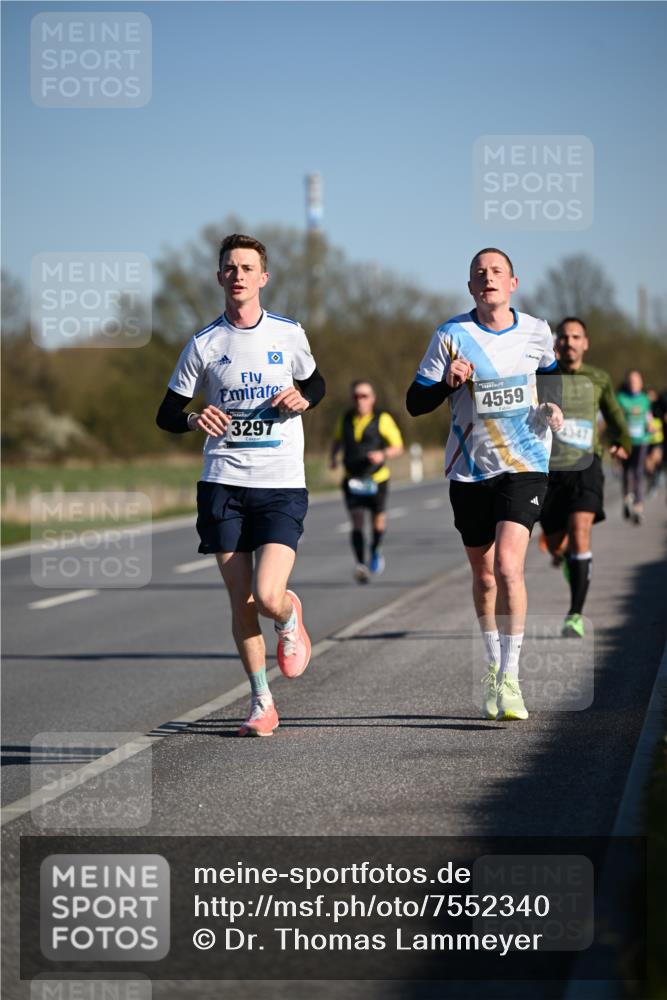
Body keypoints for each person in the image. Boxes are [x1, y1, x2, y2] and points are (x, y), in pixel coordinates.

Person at [156, 233, 325, 736]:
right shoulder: (204, 344)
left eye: (247, 268)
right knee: (240, 601)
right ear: (219, 277)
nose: (238, 275)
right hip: (223, 483)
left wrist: (304, 399)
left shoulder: (289, 334)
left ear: (263, 277)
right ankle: (261, 701)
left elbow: (316, 382)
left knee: (268, 594)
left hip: (280, 484)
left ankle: (289, 615)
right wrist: (193, 419)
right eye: (230, 268)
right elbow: (166, 414)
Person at [406, 248, 563, 722]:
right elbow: (415, 402)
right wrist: (447, 383)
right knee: (486, 574)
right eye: (479, 273)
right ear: (470, 286)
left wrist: (554, 409)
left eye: (496, 272)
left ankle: (512, 678)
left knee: (511, 568)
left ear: (513, 282)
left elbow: (551, 377)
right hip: (470, 468)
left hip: (526, 462)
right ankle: (494, 666)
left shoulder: (536, 330)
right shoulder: (452, 335)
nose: (488, 278)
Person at [539, 317, 630, 637]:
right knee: (555, 544)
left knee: (581, 531)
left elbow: (617, 417)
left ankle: (575, 614)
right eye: (563, 337)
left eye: (576, 337)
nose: (569, 342)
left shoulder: (599, 378)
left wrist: (623, 442)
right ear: (555, 343)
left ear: (585, 343)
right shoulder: (542, 376)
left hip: (587, 465)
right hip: (549, 469)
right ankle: (566, 558)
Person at [329, 380, 404, 582]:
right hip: (352, 478)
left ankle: (376, 548)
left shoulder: (382, 419)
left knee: (377, 519)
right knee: (356, 522)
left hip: (376, 478)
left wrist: (382, 454)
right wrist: (333, 457)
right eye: (356, 396)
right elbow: (337, 440)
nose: (360, 400)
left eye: (364, 396)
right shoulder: (345, 418)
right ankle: (361, 563)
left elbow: (398, 446)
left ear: (372, 398)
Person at [617, 370, 652, 524]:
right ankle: (627, 498)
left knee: (638, 471)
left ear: (641, 383)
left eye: (636, 381)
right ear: (628, 383)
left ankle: (638, 506)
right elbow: (615, 417)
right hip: (626, 441)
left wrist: (650, 425)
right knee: (626, 471)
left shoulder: (645, 399)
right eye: (631, 381)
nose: (633, 384)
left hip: (642, 440)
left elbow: (648, 416)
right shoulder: (621, 398)